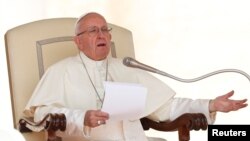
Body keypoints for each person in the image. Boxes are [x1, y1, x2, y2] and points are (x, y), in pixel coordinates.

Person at [24, 12, 248, 141]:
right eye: (93, 31)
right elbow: (42, 113)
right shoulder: (60, 71)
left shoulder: (127, 68)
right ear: (78, 41)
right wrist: (81, 116)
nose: (101, 35)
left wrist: (210, 105)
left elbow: (165, 108)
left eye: (105, 29)